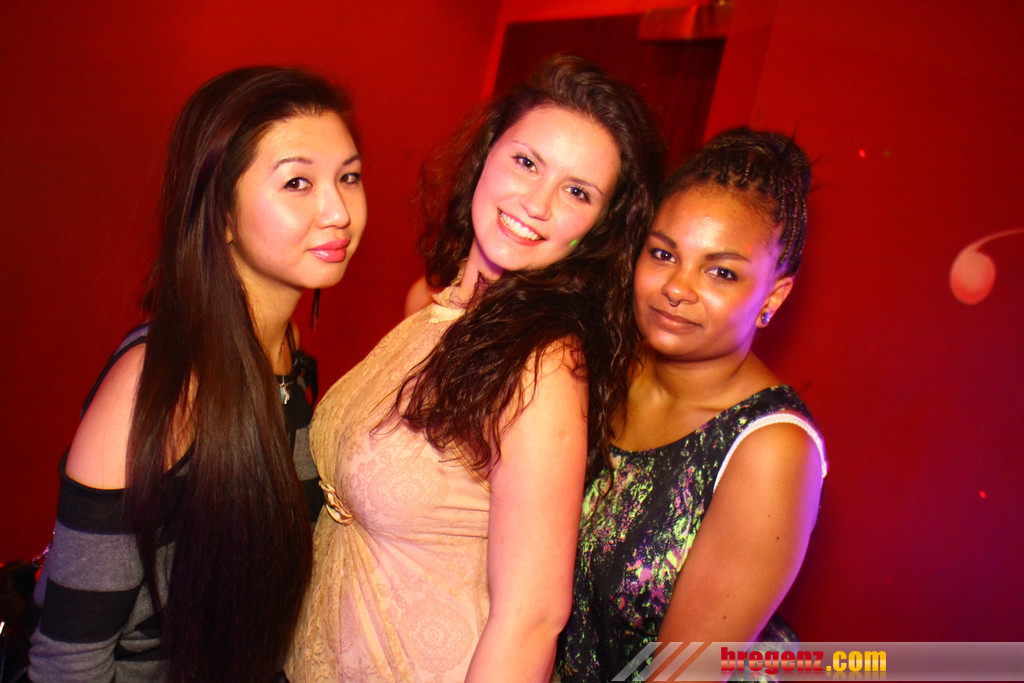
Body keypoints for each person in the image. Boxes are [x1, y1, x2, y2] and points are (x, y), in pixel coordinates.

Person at [285, 55, 663, 682]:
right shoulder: (430, 307)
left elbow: (533, 616)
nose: (537, 203)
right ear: (487, 154)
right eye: (526, 162)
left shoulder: (544, 365)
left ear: (601, 228)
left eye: (577, 192)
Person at [27, 66, 367, 682]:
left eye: (349, 177)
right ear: (221, 213)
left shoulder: (285, 352)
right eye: (297, 182)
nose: (338, 210)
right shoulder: (160, 384)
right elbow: (68, 661)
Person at [556, 128, 828, 681]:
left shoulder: (772, 447)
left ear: (773, 297)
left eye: (721, 271)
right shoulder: (599, 365)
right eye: (663, 254)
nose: (677, 287)